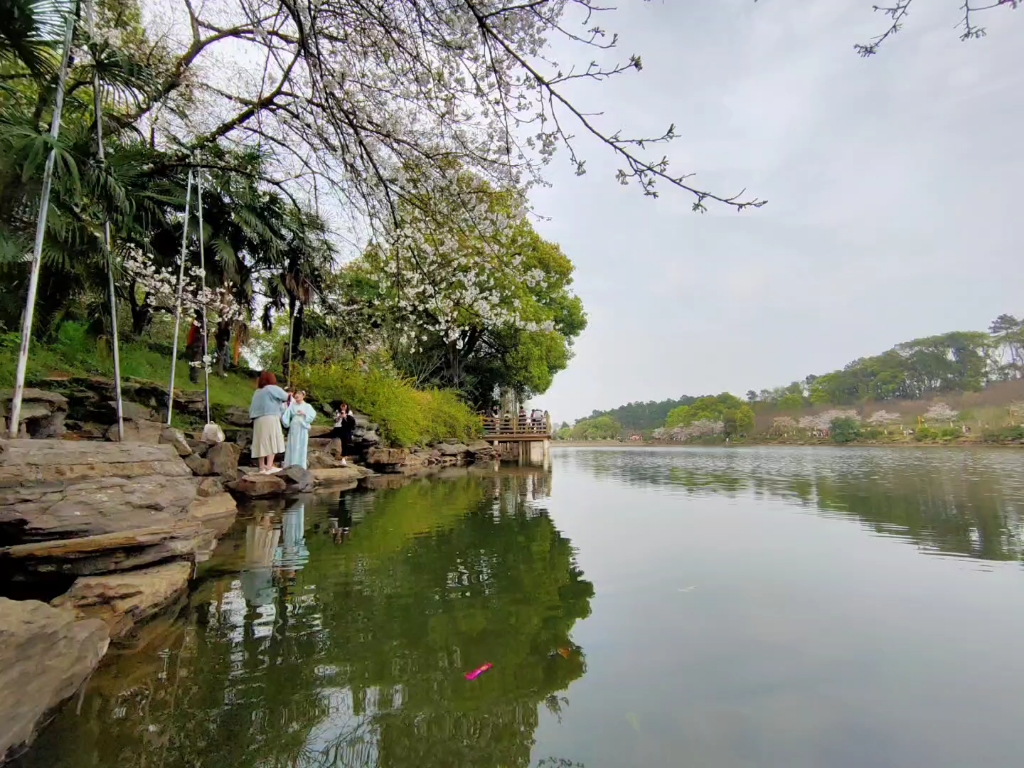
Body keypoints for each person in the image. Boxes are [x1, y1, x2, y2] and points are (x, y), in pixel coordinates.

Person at [249, 371, 289, 473]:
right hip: (270, 417)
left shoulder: (257, 392)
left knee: (260, 442)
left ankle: (261, 467)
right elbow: (286, 397)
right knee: (272, 440)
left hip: (258, 419)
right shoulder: (271, 388)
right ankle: (269, 466)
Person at [282, 389, 316, 469]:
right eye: (296, 394)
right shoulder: (292, 405)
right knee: (292, 444)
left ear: (303, 396)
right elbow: (286, 414)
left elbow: (312, 415)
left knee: (302, 445)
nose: (297, 396)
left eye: (299, 394)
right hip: (294, 426)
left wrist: (304, 414)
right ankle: (290, 463)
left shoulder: (307, 406)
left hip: (302, 427)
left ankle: (300, 465)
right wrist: (285, 421)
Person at [331, 402, 356, 466]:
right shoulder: (337, 411)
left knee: (345, 440)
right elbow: (335, 420)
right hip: (338, 427)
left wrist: (345, 417)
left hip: (346, 428)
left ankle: (344, 457)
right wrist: (339, 417)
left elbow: (351, 422)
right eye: (342, 406)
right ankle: (343, 456)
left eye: (344, 406)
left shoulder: (349, 412)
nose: (343, 407)